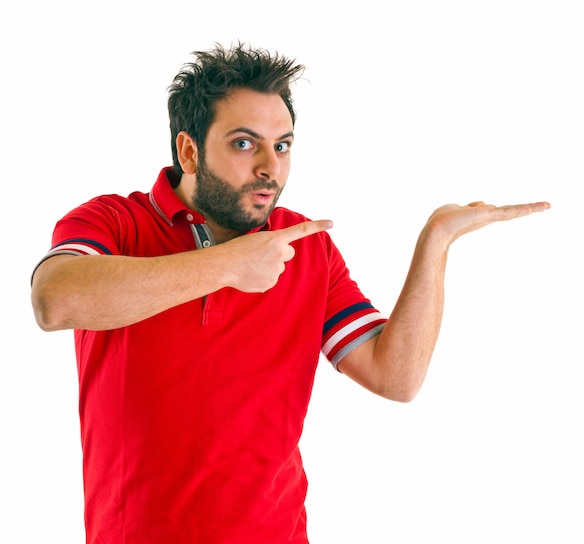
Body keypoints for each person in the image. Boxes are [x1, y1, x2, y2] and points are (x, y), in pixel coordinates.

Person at [30, 43, 550, 544]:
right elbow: (55, 300)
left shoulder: (307, 246)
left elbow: (396, 378)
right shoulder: (113, 221)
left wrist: (435, 241)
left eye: (282, 145)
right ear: (189, 150)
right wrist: (227, 266)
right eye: (243, 143)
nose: (270, 168)